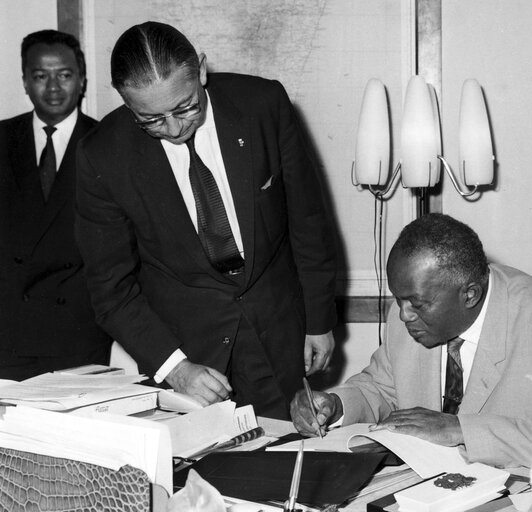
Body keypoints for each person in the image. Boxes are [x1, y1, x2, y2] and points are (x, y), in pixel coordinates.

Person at [75, 21, 338, 419]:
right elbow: (111, 290)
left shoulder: (262, 104)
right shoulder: (103, 155)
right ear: (126, 102)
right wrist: (175, 368)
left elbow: (308, 220)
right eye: (152, 120)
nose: (175, 128)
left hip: (278, 335)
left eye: (185, 107)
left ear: (199, 70)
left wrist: (319, 320)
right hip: (188, 353)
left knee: (287, 465)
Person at [290, 214, 532, 469]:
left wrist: (458, 429)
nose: (403, 315)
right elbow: (383, 387)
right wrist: (336, 405)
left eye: (416, 304)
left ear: (470, 294)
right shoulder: (415, 305)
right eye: (399, 301)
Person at [0, 30, 110, 380]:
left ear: (82, 80)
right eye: (40, 76)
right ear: (25, 82)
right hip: (9, 333)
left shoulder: (107, 143)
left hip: (78, 336)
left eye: (64, 75)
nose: (52, 88)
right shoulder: (2, 139)